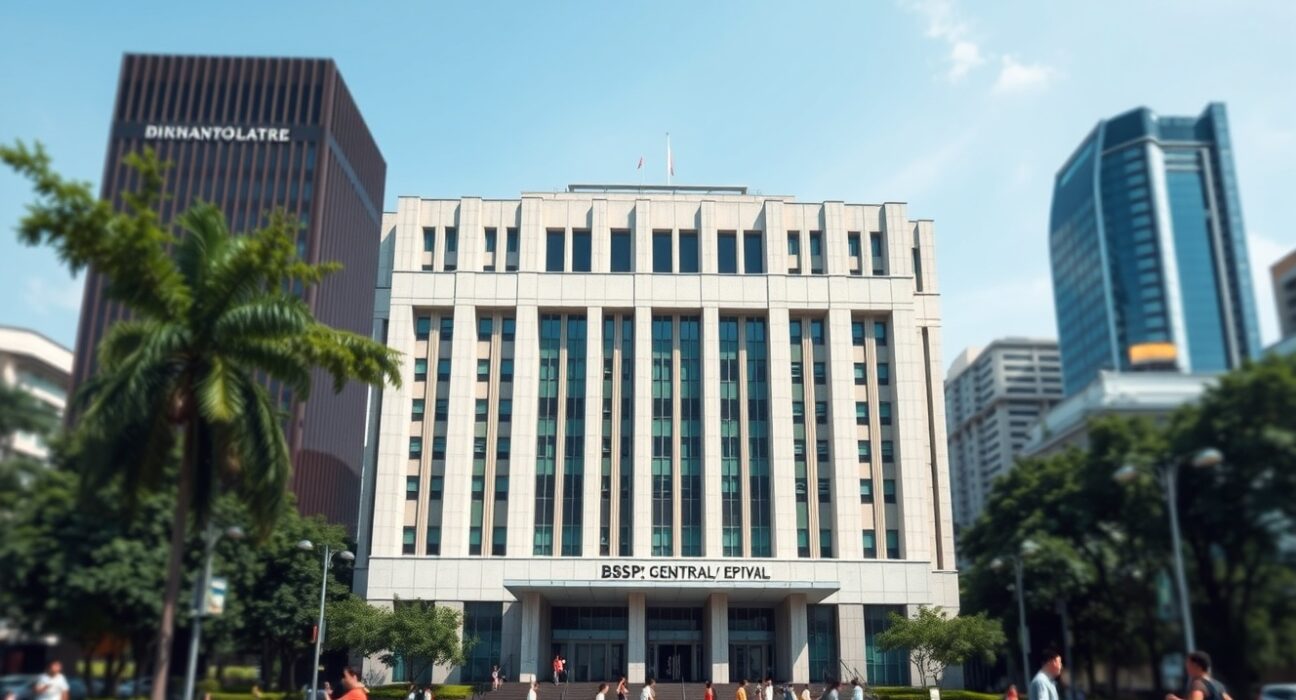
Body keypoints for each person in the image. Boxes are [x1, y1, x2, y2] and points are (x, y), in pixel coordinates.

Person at [1166, 651, 1234, 700]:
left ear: (1197, 666)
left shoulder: (1199, 684)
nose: (1186, 667)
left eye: (1189, 664)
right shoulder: (1218, 685)